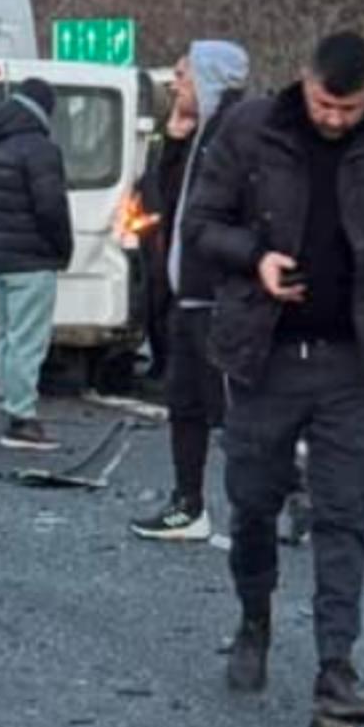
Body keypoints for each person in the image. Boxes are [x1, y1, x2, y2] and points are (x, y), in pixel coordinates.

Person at [183, 32, 364, 727]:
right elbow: (201, 224)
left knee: (346, 514)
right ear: (304, 80)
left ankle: (336, 670)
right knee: (254, 500)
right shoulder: (250, 130)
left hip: (354, 362)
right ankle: (254, 618)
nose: (335, 119)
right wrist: (255, 258)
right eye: (326, 103)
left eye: (350, 108)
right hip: (263, 355)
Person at [131, 41, 250, 541]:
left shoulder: (234, 136)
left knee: (228, 414)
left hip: (217, 300)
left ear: (208, 79)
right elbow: (168, 200)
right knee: (185, 404)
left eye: (182, 75)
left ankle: (292, 490)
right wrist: (174, 143)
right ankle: (189, 503)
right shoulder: (197, 134)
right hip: (188, 297)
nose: (174, 85)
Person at [0, 78, 73, 451]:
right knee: (29, 341)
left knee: (5, 336)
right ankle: (23, 418)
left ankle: (11, 404)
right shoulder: (41, 150)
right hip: (32, 257)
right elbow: (51, 208)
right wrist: (63, 248)